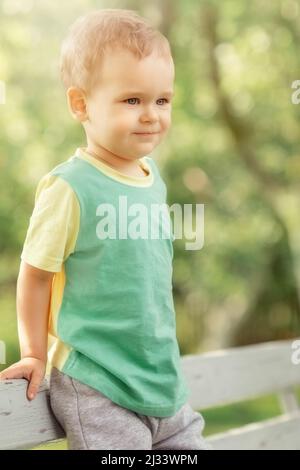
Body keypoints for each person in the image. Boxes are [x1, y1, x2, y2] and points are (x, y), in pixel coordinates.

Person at [0, 8, 211, 450]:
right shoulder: (70, 188)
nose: (151, 114)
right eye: (132, 100)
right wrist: (34, 353)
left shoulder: (153, 179)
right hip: (98, 384)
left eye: (162, 100)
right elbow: (34, 275)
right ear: (81, 104)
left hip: (162, 386)